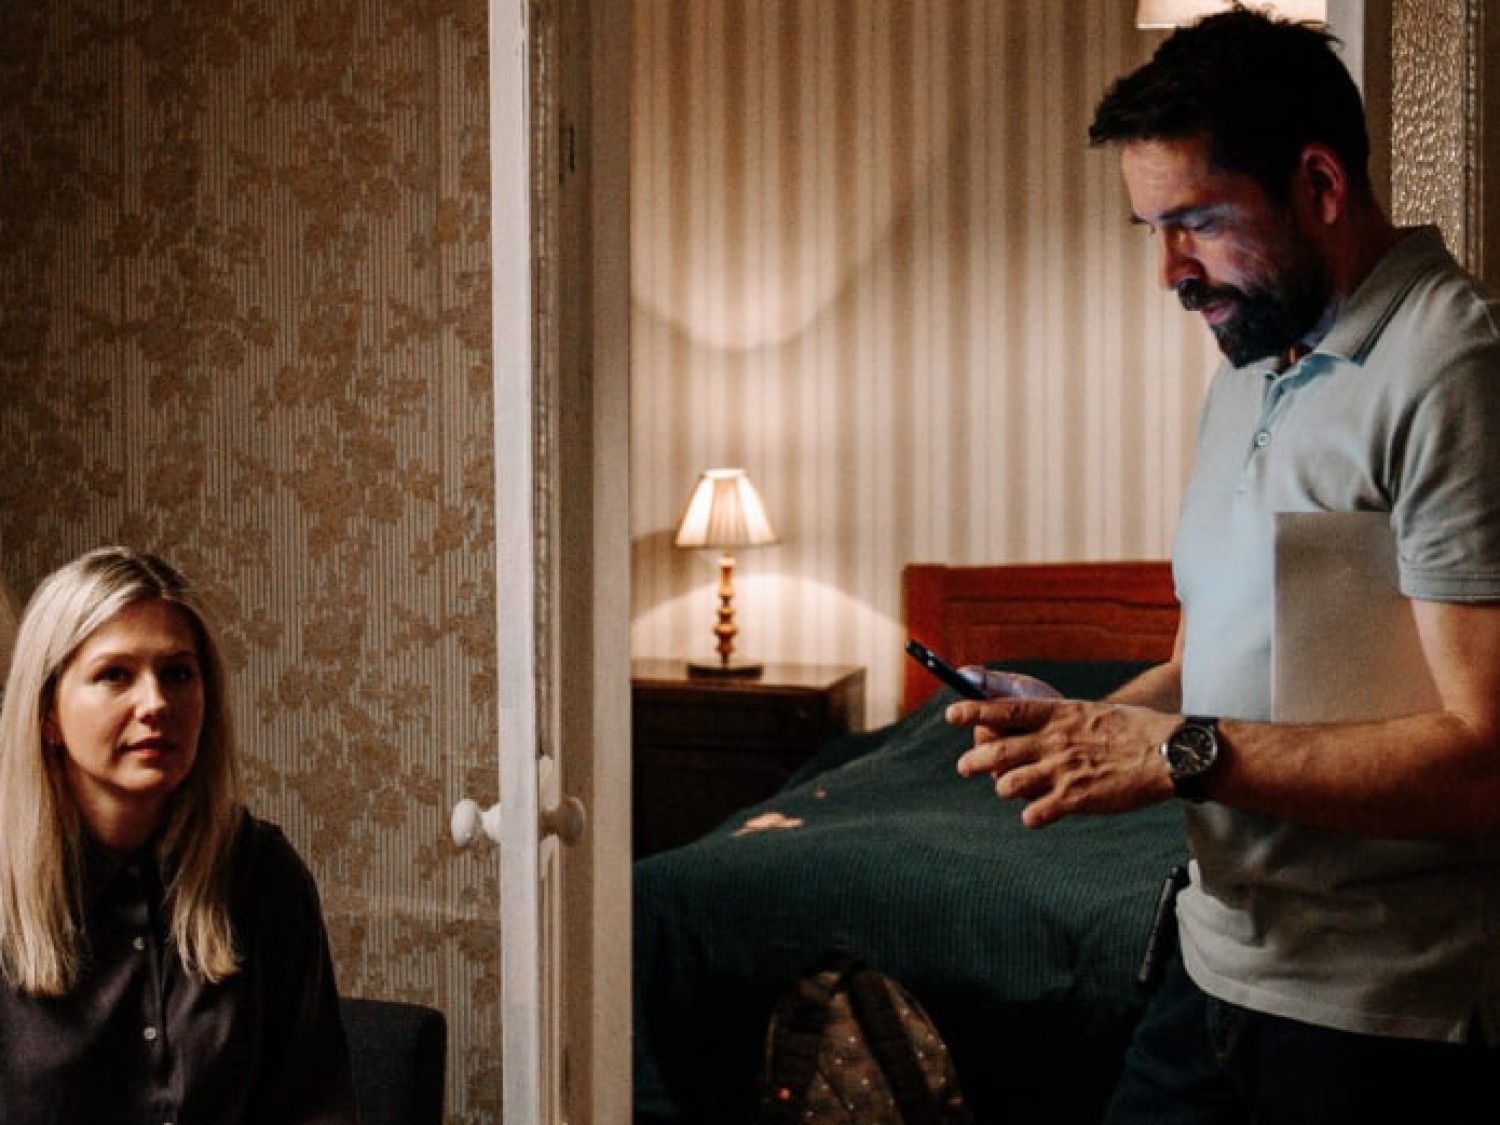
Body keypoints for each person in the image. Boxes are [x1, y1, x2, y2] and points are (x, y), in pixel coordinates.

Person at [948, 8, 1500, 1124]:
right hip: (1207, 969)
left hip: (1375, 1016)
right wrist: (1091, 726)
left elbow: (1486, 758)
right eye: (1151, 229)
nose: (1170, 271)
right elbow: (1204, 667)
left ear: (1319, 185)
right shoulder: (1247, 364)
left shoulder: (1455, 368)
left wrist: (1178, 754)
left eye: (1197, 221)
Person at [0, 546, 357, 1123]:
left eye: (178, 674)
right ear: (47, 713)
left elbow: (315, 1107)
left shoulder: (261, 872)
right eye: (115, 675)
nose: (156, 703)